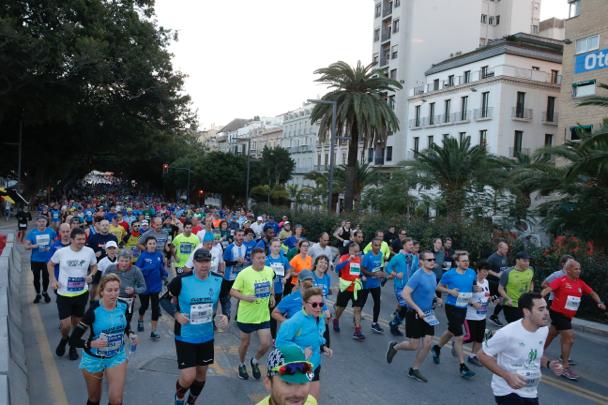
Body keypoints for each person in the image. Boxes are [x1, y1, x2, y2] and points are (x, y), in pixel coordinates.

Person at [160, 248, 228, 405]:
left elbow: (225, 298)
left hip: (206, 335)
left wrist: (226, 315)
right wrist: (176, 314)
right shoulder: (182, 280)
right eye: (200, 262)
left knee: (201, 375)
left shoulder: (218, 280)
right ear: (194, 263)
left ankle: (192, 401)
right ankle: (180, 396)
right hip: (185, 335)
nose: (204, 265)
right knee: (188, 377)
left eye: (207, 261)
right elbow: (163, 300)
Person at [68, 273, 136, 405]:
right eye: (109, 290)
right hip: (94, 358)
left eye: (116, 290)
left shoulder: (123, 306)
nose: (113, 294)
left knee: (116, 400)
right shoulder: (93, 311)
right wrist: (91, 343)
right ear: (102, 291)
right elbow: (73, 340)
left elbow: (125, 324)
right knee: (94, 399)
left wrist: (131, 333)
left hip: (116, 356)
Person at [478, 292, 552, 405]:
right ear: (527, 312)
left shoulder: (543, 330)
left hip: (530, 392)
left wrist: (549, 364)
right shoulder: (507, 333)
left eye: (546, 308)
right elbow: (482, 354)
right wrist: (507, 376)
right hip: (507, 391)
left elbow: (534, 354)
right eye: (541, 309)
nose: (546, 313)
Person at [541, 259, 606, 381]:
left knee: (551, 334)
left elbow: (592, 293)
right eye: (576, 269)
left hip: (567, 317)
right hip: (558, 313)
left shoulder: (580, 283)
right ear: (569, 269)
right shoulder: (561, 280)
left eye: (579, 269)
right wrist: (538, 301)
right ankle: (565, 367)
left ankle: (534, 353)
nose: (579, 271)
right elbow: (547, 289)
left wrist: (599, 302)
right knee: (570, 338)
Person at [385, 250, 441, 383]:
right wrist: (418, 309)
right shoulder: (417, 275)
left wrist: (436, 298)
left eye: (433, 259)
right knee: (413, 345)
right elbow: (405, 294)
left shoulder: (432, 275)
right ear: (421, 262)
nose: (433, 261)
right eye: (429, 260)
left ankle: (414, 369)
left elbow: (430, 291)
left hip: (428, 314)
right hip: (415, 314)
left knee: (428, 343)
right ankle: (395, 347)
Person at [47, 227, 98, 361]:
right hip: (64, 294)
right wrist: (53, 280)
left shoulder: (89, 251)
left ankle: (72, 346)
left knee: (77, 323)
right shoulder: (61, 252)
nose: (82, 242)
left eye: (83, 239)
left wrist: (91, 275)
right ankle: (65, 339)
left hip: (81, 293)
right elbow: (50, 264)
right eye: (79, 239)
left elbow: (94, 266)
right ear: (72, 239)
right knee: (65, 325)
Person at [276, 287, 332, 401]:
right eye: (314, 304)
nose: (318, 308)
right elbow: (280, 343)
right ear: (304, 303)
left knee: (312, 401)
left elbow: (317, 336)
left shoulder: (319, 317)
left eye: (321, 304)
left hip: (314, 364)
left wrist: (323, 347)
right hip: (298, 367)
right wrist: (301, 351)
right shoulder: (295, 321)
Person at [230, 248, 275, 380]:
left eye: (263, 258)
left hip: (263, 315)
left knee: (266, 344)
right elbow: (233, 291)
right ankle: (241, 364)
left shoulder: (269, 270)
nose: (262, 260)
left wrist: (272, 295)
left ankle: (255, 361)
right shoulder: (244, 274)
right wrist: (244, 297)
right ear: (252, 259)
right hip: (247, 316)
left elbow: (271, 282)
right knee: (245, 344)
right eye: (259, 258)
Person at [431, 251, 477, 379]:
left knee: (452, 330)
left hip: (463, 307)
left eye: (467, 260)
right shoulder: (449, 274)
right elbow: (438, 287)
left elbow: (471, 287)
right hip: (452, 307)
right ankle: (463, 366)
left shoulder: (472, 272)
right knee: (459, 336)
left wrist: (475, 290)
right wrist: (449, 291)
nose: (466, 263)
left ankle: (437, 348)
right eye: (463, 261)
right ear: (457, 262)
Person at [135, 236, 168, 340]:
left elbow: (161, 267)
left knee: (155, 308)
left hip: (156, 286)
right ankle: (140, 319)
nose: (152, 245)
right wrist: (147, 269)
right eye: (150, 243)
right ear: (146, 245)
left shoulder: (159, 255)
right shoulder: (143, 256)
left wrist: (164, 274)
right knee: (144, 306)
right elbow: (137, 270)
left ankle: (153, 331)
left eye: (154, 243)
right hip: (144, 287)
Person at [104, 249, 147, 329]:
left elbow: (143, 287)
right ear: (118, 260)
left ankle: (124, 335)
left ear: (130, 260)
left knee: (126, 322)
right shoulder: (111, 268)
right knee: (112, 322)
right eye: (122, 260)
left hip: (128, 301)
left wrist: (134, 290)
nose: (124, 264)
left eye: (126, 261)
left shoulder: (136, 270)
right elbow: (103, 282)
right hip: (113, 299)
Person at [386, 238, 418, 336]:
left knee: (407, 308)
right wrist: (395, 274)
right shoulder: (398, 257)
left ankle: (394, 324)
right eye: (409, 244)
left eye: (412, 244)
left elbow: (416, 271)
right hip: (400, 286)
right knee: (404, 305)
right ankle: (394, 324)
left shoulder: (414, 258)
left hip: (410, 287)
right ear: (404, 246)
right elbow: (388, 267)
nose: (412, 246)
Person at [463, 260, 492, 367]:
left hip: (482, 315)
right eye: (483, 271)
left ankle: (472, 356)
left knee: (479, 338)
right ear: (478, 271)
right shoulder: (471, 282)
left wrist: (490, 299)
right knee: (470, 337)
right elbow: (461, 296)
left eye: (487, 271)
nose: (485, 274)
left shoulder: (486, 282)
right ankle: (457, 342)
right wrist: (473, 303)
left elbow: (486, 294)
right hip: (470, 315)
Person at [333, 242, 364, 340]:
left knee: (357, 309)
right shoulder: (344, 257)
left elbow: (358, 271)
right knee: (341, 308)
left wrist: (362, 276)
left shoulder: (359, 259)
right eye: (355, 251)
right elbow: (337, 269)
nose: (357, 253)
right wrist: (348, 260)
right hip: (346, 287)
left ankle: (357, 330)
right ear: (350, 249)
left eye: (358, 251)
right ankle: (336, 320)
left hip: (356, 287)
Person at [24, 216, 57, 303]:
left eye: (44, 221)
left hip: (47, 260)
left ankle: (45, 292)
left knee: (46, 278)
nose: (42, 223)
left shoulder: (51, 231)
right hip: (35, 260)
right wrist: (32, 246)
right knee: (36, 278)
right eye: (40, 221)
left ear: (46, 222)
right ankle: (38, 294)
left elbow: (57, 242)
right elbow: (26, 246)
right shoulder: (32, 233)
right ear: (37, 223)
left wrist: (50, 248)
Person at [360, 237, 387, 334]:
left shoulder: (380, 254)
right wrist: (372, 274)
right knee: (362, 302)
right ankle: (356, 318)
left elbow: (378, 267)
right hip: (367, 283)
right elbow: (362, 269)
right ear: (371, 246)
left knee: (377, 303)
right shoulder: (367, 256)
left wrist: (381, 274)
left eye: (379, 245)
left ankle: (375, 323)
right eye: (376, 245)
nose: (378, 247)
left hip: (376, 284)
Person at [499, 251, 534, 323]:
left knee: (523, 327)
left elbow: (531, 281)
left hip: (524, 304)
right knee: (514, 327)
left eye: (528, 261)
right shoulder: (507, 273)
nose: (527, 263)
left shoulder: (531, 269)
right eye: (524, 261)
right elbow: (500, 288)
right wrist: (507, 298)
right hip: (511, 305)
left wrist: (530, 292)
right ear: (517, 260)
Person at [266, 238, 291, 339]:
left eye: (278, 246)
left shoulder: (284, 259)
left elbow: (289, 271)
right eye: (275, 246)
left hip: (278, 291)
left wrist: (285, 278)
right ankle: (268, 333)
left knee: (273, 313)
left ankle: (272, 336)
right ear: (270, 247)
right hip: (267, 291)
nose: (277, 248)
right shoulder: (267, 260)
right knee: (267, 312)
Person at [220, 229, 248, 320]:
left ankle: (238, 315)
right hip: (229, 277)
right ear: (235, 236)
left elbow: (243, 260)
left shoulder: (244, 247)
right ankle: (225, 317)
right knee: (225, 298)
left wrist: (244, 262)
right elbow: (226, 263)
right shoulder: (230, 248)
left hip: (240, 277)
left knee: (241, 297)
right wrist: (236, 261)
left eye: (242, 235)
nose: (241, 237)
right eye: (239, 235)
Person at [488, 241, 510, 327]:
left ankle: (494, 316)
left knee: (503, 299)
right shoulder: (492, 258)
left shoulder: (505, 257)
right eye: (505, 249)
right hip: (492, 283)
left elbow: (504, 267)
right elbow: (487, 269)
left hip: (500, 283)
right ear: (499, 248)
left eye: (507, 249)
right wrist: (497, 274)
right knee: (490, 299)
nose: (506, 251)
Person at [311, 255, 332, 347]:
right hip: (310, 309)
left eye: (326, 263)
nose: (323, 265)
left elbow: (325, 295)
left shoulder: (327, 277)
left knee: (324, 343)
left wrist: (325, 309)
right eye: (321, 262)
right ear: (316, 264)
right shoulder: (310, 276)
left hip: (321, 310)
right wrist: (325, 308)